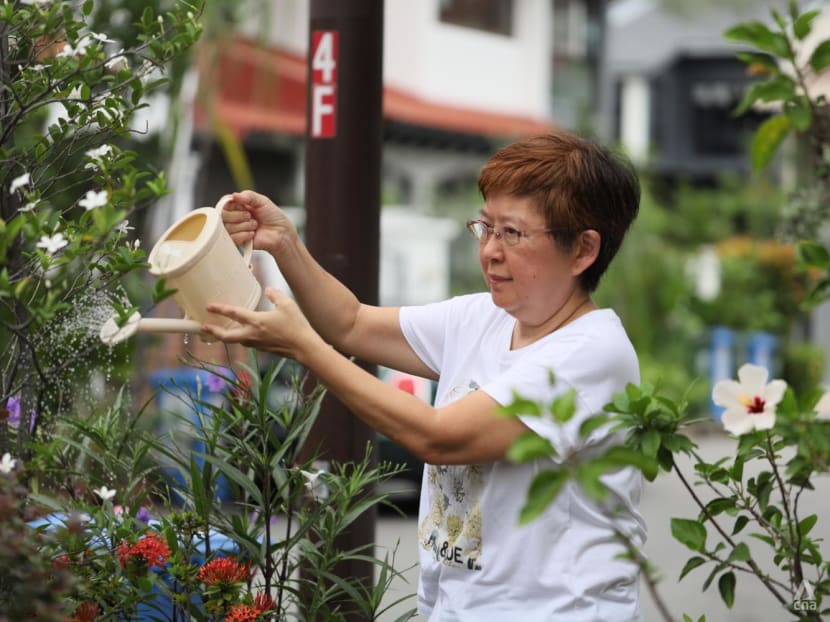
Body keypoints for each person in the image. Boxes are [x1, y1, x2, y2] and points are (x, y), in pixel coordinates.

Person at [201, 130, 646, 621]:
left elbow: (441, 438)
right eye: (486, 227)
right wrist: (284, 243)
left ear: (583, 250)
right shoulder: (484, 317)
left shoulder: (592, 353)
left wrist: (304, 348)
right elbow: (349, 322)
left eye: (513, 233)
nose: (491, 251)